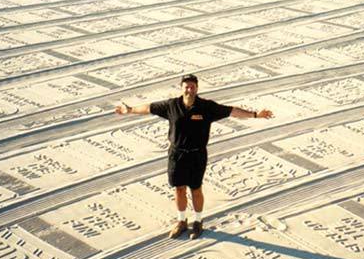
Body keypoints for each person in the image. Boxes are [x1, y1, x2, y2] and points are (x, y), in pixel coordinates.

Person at [115, 74, 273, 239]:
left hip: (197, 155)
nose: (189, 89)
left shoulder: (207, 107)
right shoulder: (171, 105)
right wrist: (130, 110)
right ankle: (181, 221)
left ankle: (198, 222)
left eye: (192, 86)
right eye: (186, 86)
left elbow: (231, 111)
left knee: (196, 190)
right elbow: (149, 108)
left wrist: (255, 114)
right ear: (181, 88)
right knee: (179, 189)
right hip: (176, 154)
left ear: (197, 88)